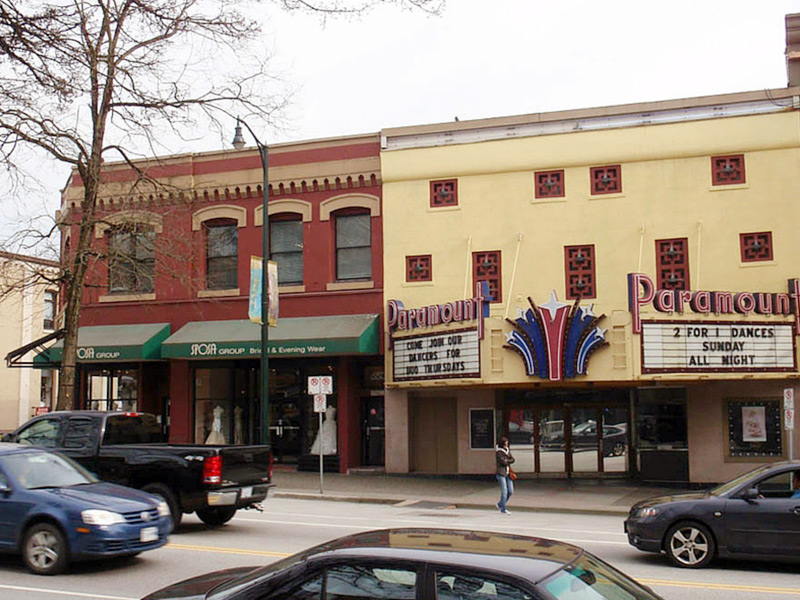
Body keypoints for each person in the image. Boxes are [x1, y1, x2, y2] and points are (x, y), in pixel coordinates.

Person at [495, 435, 515, 514]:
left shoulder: (507, 450)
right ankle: (503, 508)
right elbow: (503, 462)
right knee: (504, 491)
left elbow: (513, 459)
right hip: (501, 473)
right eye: (505, 444)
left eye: (507, 444)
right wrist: (508, 460)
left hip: (508, 473)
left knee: (510, 491)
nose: (506, 445)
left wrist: (507, 460)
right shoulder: (499, 452)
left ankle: (500, 504)